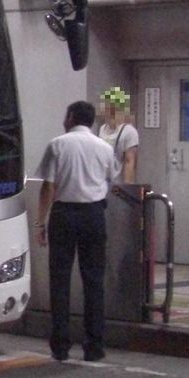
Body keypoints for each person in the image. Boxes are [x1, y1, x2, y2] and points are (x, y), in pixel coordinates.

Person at [36, 99, 121, 362]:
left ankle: (60, 346)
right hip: (94, 215)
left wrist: (40, 222)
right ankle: (94, 346)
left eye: (66, 115)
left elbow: (48, 186)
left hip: (63, 215)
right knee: (94, 281)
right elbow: (112, 178)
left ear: (71, 117)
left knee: (60, 280)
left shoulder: (57, 144)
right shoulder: (104, 147)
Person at [96, 86, 139, 184]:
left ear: (112, 108)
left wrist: (126, 186)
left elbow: (129, 161)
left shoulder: (129, 132)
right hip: (101, 180)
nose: (102, 108)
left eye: (104, 105)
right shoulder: (102, 128)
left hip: (117, 181)